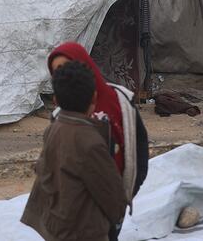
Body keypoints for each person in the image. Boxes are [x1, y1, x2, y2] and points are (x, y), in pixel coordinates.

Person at [48, 43, 149, 240]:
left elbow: (139, 149)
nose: (63, 75)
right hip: (77, 215)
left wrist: (127, 193)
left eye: (67, 67)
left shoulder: (121, 101)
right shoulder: (60, 120)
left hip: (112, 203)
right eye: (56, 71)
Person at [22, 61, 129, 241]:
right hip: (84, 232)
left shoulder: (53, 129)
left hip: (56, 227)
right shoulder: (91, 142)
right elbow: (113, 197)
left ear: (55, 101)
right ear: (94, 98)